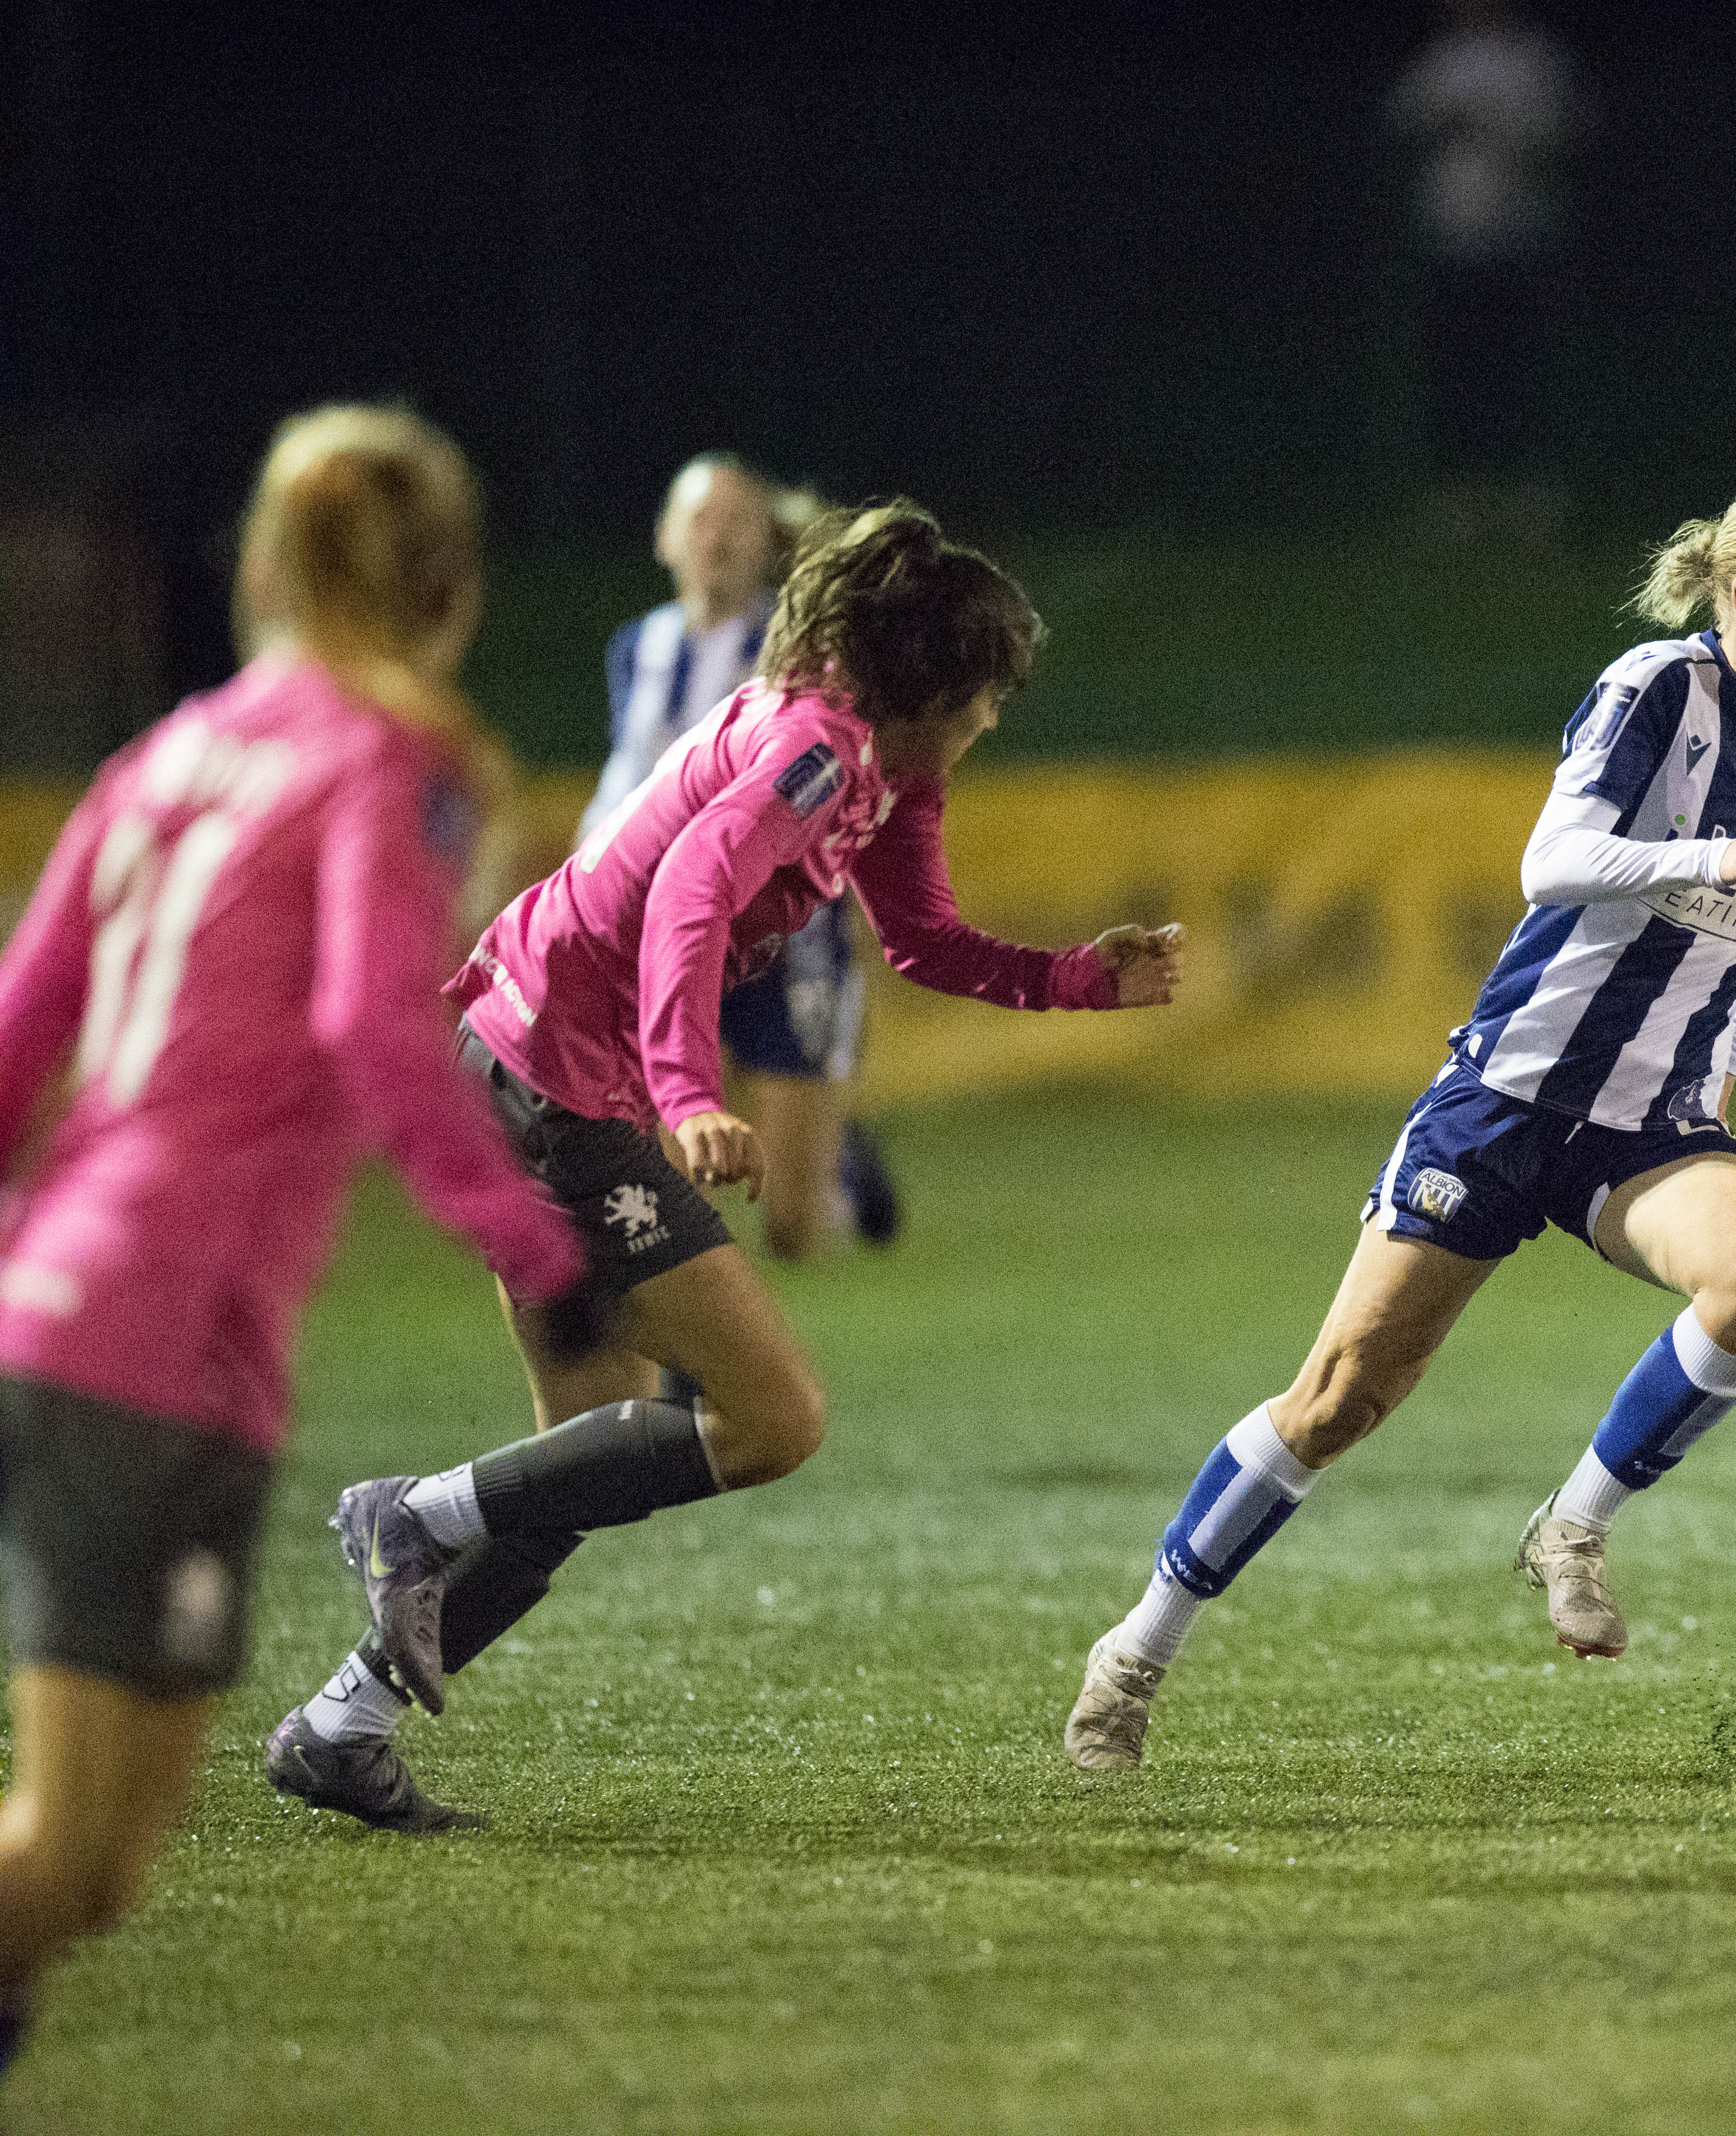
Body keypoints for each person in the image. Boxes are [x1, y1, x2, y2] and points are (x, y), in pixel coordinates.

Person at [263, 499, 1184, 1831]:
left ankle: (342, 1725)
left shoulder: (883, 770)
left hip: (527, 1056)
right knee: (772, 1419)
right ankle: (411, 1513)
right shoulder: (815, 748)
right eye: (986, 694)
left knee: (584, 1462)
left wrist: (1079, 980)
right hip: (551, 1076)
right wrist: (692, 1091)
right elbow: (689, 892)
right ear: (929, 686)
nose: (993, 719)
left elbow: (923, 940)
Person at [1065, 477, 1736, 1773]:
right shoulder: (1655, 690)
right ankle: (1135, 1651)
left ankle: (1573, 1524)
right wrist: (1706, 854)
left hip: (1646, 1122)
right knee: (1339, 1399)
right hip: (1507, 1098)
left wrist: (1720, 1067)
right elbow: (1552, 862)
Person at [0, 406, 595, 2069]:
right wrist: (525, 1237)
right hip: (157, 1341)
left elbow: (20, 1028)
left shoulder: (164, 757)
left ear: (262, 571)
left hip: (54, 1312)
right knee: (62, 1850)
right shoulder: (391, 763)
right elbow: (371, 1021)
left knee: (94, 1870)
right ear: (452, 593)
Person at [587, 453, 897, 1262]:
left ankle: (836, 1159)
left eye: (736, 522)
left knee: (792, 1226)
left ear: (767, 542)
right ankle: (687, 1351)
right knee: (675, 1196)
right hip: (677, 931)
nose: (716, 539)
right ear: (665, 537)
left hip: (786, 934)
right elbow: (629, 777)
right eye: (700, 520)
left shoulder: (801, 650)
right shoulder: (638, 649)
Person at [1386, 0, 1584, 547]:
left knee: (1518, 369)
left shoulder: (1533, 59)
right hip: (1451, 241)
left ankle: (1528, 504)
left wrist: (1499, 128)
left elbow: (1561, 134)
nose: (1470, 1)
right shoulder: (1439, 62)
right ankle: (1460, 504)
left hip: (1518, 239)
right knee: (1454, 372)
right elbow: (1402, 129)